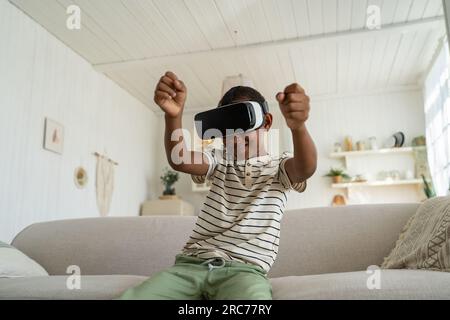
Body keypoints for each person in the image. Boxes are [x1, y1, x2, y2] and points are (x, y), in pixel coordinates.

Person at [119, 71, 317, 300]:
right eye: (225, 126)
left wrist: (298, 127)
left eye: (243, 121)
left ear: (267, 122)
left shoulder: (279, 165)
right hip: (190, 266)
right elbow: (180, 159)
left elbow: (305, 168)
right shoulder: (219, 159)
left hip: (245, 271)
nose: (234, 134)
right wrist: (173, 116)